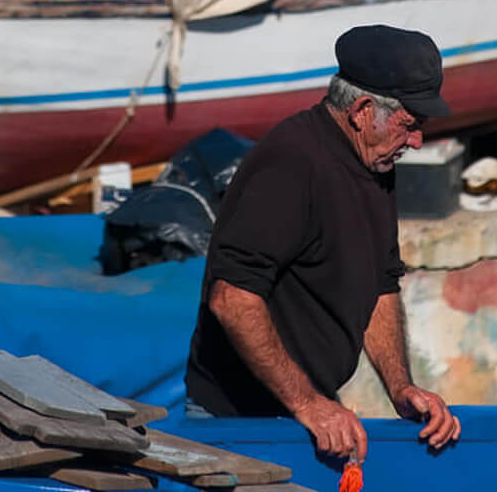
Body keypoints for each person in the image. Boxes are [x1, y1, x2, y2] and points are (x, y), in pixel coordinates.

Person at [184, 24, 461, 461]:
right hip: (237, 423)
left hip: (303, 413)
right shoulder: (291, 165)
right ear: (364, 110)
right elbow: (232, 298)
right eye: (411, 124)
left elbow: (381, 285)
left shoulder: (376, 166)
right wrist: (309, 404)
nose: (417, 140)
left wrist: (400, 387)